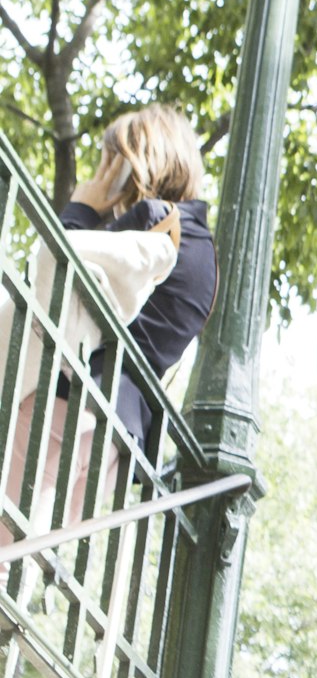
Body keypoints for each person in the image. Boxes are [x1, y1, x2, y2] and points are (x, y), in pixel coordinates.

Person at [59, 106, 217, 454]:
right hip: (122, 428)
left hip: (75, 403)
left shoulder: (153, 221)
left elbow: (58, 274)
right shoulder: (202, 249)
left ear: (133, 164)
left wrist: (81, 211)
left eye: (112, 163)